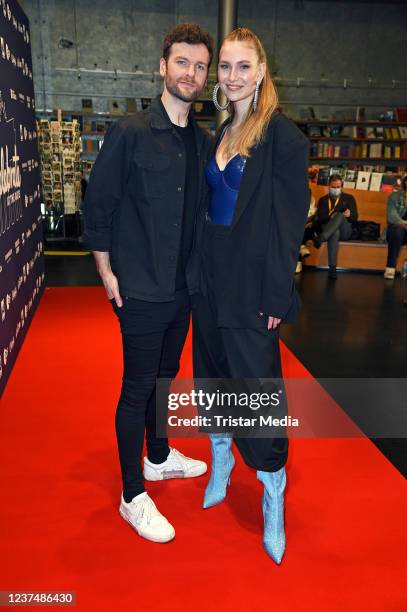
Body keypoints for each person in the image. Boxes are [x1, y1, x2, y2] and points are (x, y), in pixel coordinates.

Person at [83, 23, 214, 544]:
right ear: (163, 66)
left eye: (200, 66)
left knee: (165, 379)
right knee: (137, 388)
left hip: (182, 287)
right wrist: (105, 270)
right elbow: (100, 203)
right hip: (139, 288)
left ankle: (158, 457)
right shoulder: (132, 131)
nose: (192, 73)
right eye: (182, 62)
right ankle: (132, 495)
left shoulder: (202, 142)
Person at [192, 27, 310, 563]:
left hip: (251, 288)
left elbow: (288, 228)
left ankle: (273, 497)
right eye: (225, 66)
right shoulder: (219, 131)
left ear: (262, 72)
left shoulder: (283, 138)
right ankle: (221, 458)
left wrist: (275, 296)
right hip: (209, 282)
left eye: (243, 67)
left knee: (259, 398)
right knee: (212, 376)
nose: (232, 76)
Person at [312, 174, 358, 279]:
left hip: (345, 230)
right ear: (329, 186)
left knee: (340, 216)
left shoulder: (349, 198)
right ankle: (332, 269)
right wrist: (331, 217)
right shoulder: (323, 200)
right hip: (330, 230)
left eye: (338, 187)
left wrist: (350, 215)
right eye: (334, 187)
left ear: (341, 186)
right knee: (335, 232)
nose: (336, 189)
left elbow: (355, 218)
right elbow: (321, 219)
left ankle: (321, 238)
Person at [384, 175, 407, 279]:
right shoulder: (394, 196)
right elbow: (392, 216)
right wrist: (404, 223)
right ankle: (390, 268)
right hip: (397, 230)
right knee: (397, 231)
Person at [296, 189, 316, 273]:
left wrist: (311, 222)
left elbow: (316, 217)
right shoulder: (297, 201)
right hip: (298, 227)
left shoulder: (313, 201)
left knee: (306, 228)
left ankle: (301, 249)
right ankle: (301, 250)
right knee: (299, 230)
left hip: (309, 229)